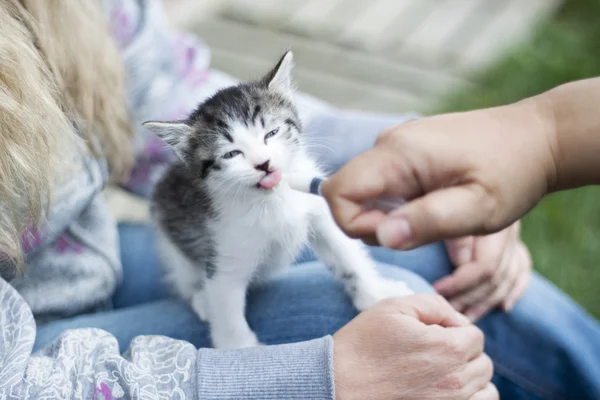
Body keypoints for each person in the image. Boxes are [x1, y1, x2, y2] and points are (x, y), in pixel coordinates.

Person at [0, 0, 596, 399]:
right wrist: (309, 377)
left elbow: (172, 95)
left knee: (435, 258)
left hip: (74, 266)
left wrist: (419, 159)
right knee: (399, 319)